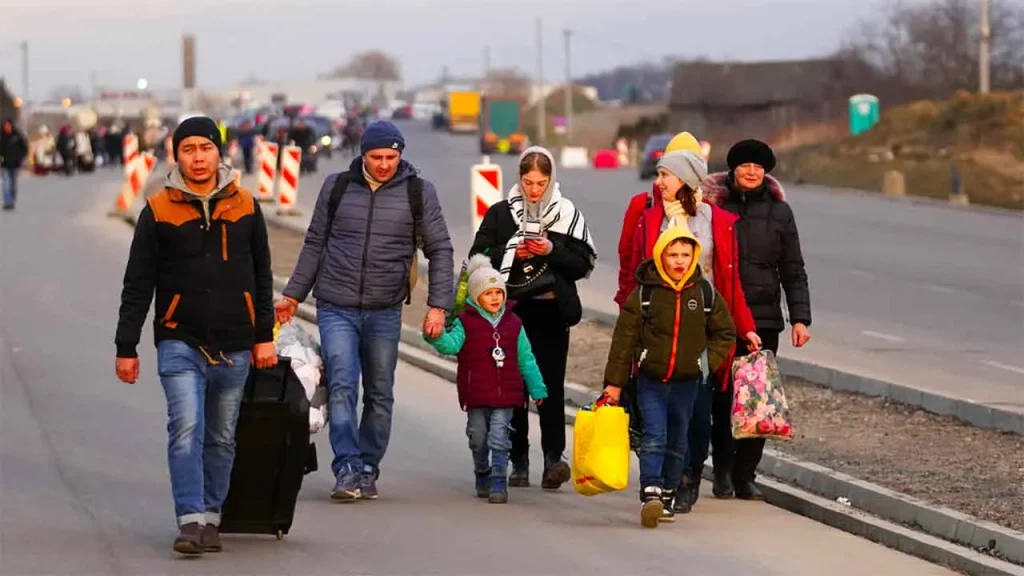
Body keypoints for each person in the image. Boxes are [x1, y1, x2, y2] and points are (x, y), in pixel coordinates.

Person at [114, 116, 278, 555]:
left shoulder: (245, 204)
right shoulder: (158, 209)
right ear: (177, 155)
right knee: (186, 427)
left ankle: (211, 516)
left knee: (222, 435)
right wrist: (125, 346)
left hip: (236, 344)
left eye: (205, 148)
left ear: (218, 152)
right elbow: (137, 283)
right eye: (189, 150)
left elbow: (263, 277)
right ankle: (189, 519)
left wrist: (265, 336)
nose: (198, 157)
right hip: (179, 339)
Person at [275, 120, 455, 502]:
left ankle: (369, 466)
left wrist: (439, 306)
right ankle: (347, 467)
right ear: (363, 154)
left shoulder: (418, 193)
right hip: (335, 305)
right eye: (377, 157)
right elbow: (314, 244)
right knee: (341, 384)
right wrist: (292, 296)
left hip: (384, 309)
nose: (385, 164)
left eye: (392, 157)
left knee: (379, 392)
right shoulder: (337, 187)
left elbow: (440, 250)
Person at [629, 148, 763, 512]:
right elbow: (634, 272)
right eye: (658, 175)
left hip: (702, 329)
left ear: (684, 180)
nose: (658, 183)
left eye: (664, 176)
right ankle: (669, 484)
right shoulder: (651, 217)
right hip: (658, 329)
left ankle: (688, 474)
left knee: (698, 416)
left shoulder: (716, 221)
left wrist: (745, 328)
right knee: (660, 418)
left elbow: (729, 281)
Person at [470, 146, 597, 490]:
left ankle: (554, 459)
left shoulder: (566, 214)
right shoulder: (500, 214)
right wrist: (512, 248)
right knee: (514, 387)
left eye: (541, 182)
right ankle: (519, 461)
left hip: (552, 311)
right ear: (519, 179)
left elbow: (583, 264)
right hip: (510, 312)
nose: (534, 190)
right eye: (528, 182)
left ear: (551, 179)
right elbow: (477, 257)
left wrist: (551, 250)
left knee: (550, 387)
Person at [602, 224, 736, 528]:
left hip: (688, 382)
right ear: (661, 256)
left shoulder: (704, 293)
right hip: (651, 379)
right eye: (672, 254)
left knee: (678, 439)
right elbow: (623, 340)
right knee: (654, 435)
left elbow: (725, 333)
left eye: (685, 254)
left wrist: (705, 365)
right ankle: (650, 491)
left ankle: (668, 493)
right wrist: (614, 383)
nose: (679, 261)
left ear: (694, 256)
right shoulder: (645, 293)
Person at [701, 139, 812, 501]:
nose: (751, 172)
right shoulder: (715, 206)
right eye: (745, 165)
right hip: (722, 315)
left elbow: (793, 269)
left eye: (758, 167)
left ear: (766, 172)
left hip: (764, 318)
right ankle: (722, 472)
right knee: (722, 398)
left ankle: (746, 474)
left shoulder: (781, 212)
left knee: (759, 398)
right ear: (733, 169)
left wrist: (800, 318)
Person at [424, 254, 548, 504]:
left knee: (499, 437)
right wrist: (435, 336)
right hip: (477, 394)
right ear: (475, 296)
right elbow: (451, 345)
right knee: (478, 436)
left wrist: (538, 389)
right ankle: (482, 471)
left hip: (506, 395)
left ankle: (499, 480)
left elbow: (526, 358)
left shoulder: (513, 323)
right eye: (488, 293)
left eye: (499, 293)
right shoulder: (465, 322)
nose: (495, 298)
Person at [615, 131, 703, 308]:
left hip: (696, 307)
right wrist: (627, 303)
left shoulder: (707, 209)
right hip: (653, 307)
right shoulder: (643, 204)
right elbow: (627, 258)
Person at [1, 119, 28, 210]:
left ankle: (12, 200)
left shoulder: (17, 136)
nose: (7, 128)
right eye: (5, 126)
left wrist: (20, 158)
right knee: (6, 184)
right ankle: (7, 201)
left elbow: (25, 148)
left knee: (13, 183)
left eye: (8, 126)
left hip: (16, 164)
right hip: (5, 164)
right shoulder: (2, 137)